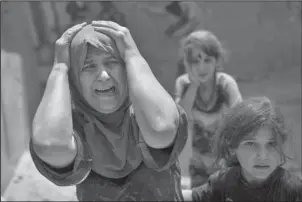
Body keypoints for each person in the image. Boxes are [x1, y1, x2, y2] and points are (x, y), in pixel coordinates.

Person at [29, 21, 188, 201]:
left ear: (127, 69)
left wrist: (132, 55)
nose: (104, 76)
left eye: (112, 62)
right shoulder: (74, 128)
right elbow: (50, 145)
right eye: (88, 66)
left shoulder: (146, 113)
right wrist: (60, 68)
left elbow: (162, 130)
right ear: (74, 79)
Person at [182, 96, 302, 201]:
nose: (263, 155)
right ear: (233, 146)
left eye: (271, 144)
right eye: (251, 144)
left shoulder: (292, 190)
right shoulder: (223, 183)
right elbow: (186, 197)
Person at [174, 30, 242, 188]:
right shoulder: (183, 84)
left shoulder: (226, 85)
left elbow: (242, 122)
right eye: (195, 62)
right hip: (195, 165)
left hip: (224, 162)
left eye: (207, 60)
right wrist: (194, 85)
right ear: (187, 64)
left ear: (217, 61)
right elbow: (179, 120)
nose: (201, 67)